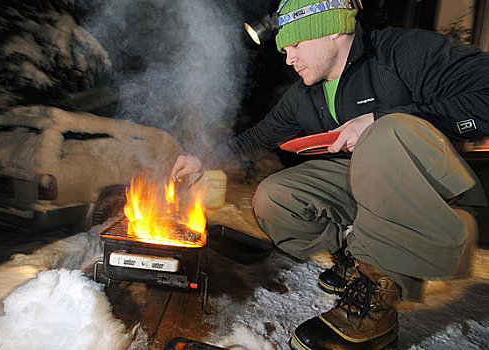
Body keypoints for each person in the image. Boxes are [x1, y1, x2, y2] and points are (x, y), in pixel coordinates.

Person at [171, 0, 489, 349]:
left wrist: (380, 119)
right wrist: (202, 157)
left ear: (333, 30)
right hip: (367, 188)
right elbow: (257, 136)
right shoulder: (304, 94)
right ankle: (354, 260)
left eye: (295, 45)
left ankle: (376, 308)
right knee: (274, 195)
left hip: (431, 192)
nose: (288, 58)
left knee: (385, 132)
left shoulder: (402, 53)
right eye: (284, 49)